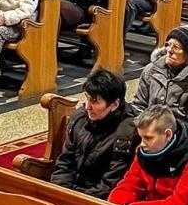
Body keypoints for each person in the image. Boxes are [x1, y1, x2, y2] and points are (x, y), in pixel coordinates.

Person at [108, 106, 188, 205]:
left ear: (167, 135)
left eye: (148, 138)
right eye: (141, 137)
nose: (142, 144)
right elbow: (130, 183)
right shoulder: (144, 151)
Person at [50, 69, 139, 197]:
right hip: (71, 192)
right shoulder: (80, 117)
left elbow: (111, 183)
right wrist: (61, 192)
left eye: (95, 101)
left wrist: (79, 200)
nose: (87, 106)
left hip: (96, 200)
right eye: (87, 98)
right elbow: (65, 162)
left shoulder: (128, 133)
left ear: (114, 105)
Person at [130, 24, 188, 123]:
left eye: (176, 47)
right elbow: (138, 106)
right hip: (147, 131)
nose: (169, 50)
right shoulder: (151, 70)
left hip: (180, 135)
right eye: (168, 44)